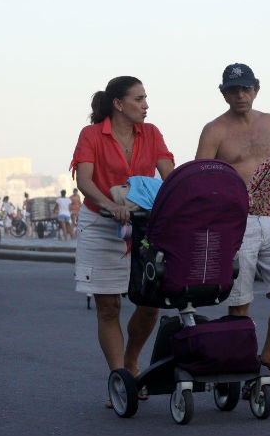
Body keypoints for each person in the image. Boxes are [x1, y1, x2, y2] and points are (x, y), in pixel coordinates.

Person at [195, 63, 270, 395]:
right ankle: (241, 369)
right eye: (233, 90)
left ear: (256, 89)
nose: (240, 95)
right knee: (240, 303)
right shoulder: (214, 130)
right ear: (223, 93)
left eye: (245, 88)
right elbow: (200, 179)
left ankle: (267, 358)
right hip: (236, 222)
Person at [69, 75, 175, 408]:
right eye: (139, 99)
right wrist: (110, 205)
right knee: (109, 306)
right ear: (118, 104)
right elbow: (84, 180)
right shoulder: (91, 135)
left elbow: (170, 176)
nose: (146, 105)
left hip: (144, 224)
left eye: (146, 99)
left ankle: (131, 361)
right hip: (101, 223)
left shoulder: (152, 133)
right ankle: (121, 379)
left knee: (150, 304)